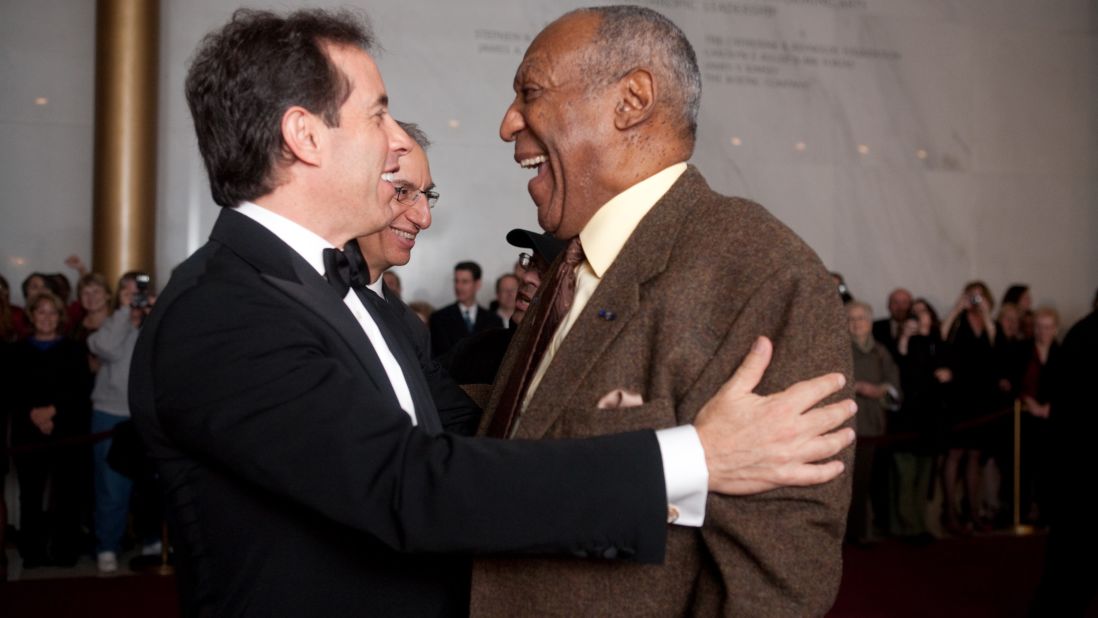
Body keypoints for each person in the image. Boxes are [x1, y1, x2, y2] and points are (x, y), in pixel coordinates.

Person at [130, 9, 854, 617]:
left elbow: (498, 435)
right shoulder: (222, 312)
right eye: (378, 113)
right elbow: (414, 484)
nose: (397, 138)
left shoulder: (371, 307)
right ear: (304, 136)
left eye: (528, 92)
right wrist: (697, 455)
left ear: (631, 102)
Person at [471, 7, 855, 615]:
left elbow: (776, 580)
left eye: (530, 91)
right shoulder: (572, 266)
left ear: (632, 100)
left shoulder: (759, 272)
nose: (507, 122)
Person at [10, 291, 91, 567]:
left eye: (52, 312)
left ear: (61, 317)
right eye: (41, 312)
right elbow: (12, 390)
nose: (46, 317)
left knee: (67, 494)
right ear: (32, 316)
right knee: (30, 495)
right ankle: (32, 552)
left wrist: (52, 411)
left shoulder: (75, 348)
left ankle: (65, 551)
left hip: (67, 428)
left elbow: (81, 389)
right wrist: (34, 414)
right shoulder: (16, 350)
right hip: (27, 430)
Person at [87, 271, 154, 573]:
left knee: (150, 485)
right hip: (110, 414)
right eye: (127, 292)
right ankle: (107, 545)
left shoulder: (155, 320)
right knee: (111, 486)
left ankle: (153, 539)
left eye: (138, 292)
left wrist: (150, 316)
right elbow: (107, 348)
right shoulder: (112, 324)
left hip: (145, 415)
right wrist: (125, 314)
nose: (134, 297)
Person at [846, 301, 901, 546]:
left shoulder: (880, 351)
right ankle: (853, 532)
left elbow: (894, 385)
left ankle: (873, 527)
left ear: (870, 322)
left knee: (873, 481)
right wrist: (855, 387)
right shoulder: (841, 349)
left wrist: (879, 390)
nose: (857, 323)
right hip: (850, 425)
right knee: (853, 482)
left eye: (862, 318)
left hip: (875, 425)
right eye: (852, 318)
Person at [429, 261, 503, 356]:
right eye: (456, 281)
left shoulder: (494, 320)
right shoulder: (439, 318)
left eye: (465, 282)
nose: (458, 287)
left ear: (477, 284)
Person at [873, 287, 913, 360]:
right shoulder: (875, 327)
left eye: (904, 302)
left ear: (911, 306)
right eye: (895, 302)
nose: (900, 307)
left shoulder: (918, 328)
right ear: (889, 306)